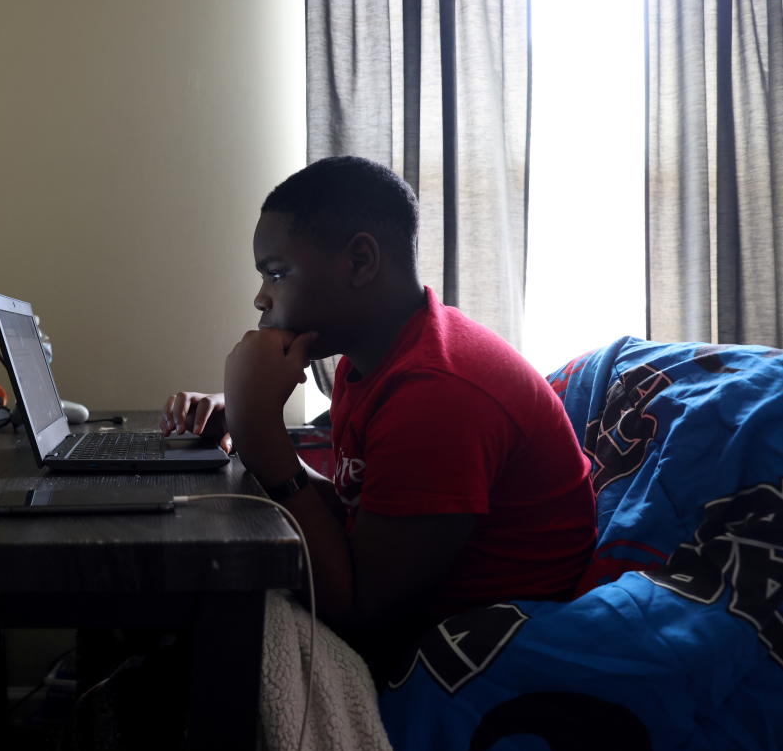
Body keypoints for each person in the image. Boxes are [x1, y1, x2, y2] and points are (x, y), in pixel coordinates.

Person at [160, 156, 596, 672]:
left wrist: (265, 442)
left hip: (484, 647)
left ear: (360, 261)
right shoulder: (367, 361)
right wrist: (251, 424)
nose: (261, 297)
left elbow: (360, 611)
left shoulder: (438, 391)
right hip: (406, 598)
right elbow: (357, 511)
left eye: (276, 273)